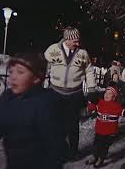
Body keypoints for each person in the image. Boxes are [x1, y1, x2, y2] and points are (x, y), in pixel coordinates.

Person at [0, 53, 64, 169]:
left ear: (36, 78)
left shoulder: (46, 103)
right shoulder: (8, 98)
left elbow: (55, 147)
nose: (13, 77)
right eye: (11, 72)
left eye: (20, 72)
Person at [43, 26, 97, 159]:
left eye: (79, 41)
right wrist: (42, 84)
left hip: (74, 94)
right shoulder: (53, 50)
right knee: (55, 123)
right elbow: (45, 66)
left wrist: (92, 89)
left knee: (73, 125)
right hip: (56, 93)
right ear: (67, 39)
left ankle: (73, 151)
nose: (78, 44)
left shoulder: (83, 54)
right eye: (75, 41)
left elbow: (89, 71)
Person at [85, 85, 125, 168]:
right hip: (99, 130)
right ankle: (95, 157)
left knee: (104, 147)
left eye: (109, 94)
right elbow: (91, 107)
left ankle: (101, 159)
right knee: (96, 144)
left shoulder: (116, 106)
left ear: (114, 97)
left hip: (109, 132)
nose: (106, 95)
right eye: (106, 92)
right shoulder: (100, 102)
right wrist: (91, 103)